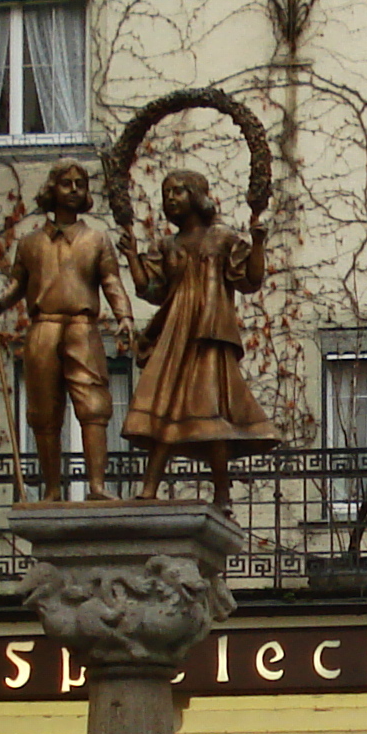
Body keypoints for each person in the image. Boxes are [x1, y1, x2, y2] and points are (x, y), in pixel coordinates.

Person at [123, 168, 278, 506]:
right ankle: (150, 487)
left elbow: (250, 281)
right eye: (166, 194)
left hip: (209, 333)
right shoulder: (167, 245)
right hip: (176, 336)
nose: (171, 199)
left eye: (178, 191)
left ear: (197, 194)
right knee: (166, 407)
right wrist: (132, 257)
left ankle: (222, 491)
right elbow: (150, 289)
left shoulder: (222, 239)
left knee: (212, 411)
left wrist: (259, 243)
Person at [0, 160, 135, 503]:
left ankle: (97, 486)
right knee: (43, 410)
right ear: (51, 189)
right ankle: (52, 488)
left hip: (82, 327)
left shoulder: (96, 239)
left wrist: (124, 315)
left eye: (80, 184)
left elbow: (111, 280)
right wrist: (1, 301)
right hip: (44, 327)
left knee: (94, 406)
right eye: (66, 183)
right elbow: (16, 284)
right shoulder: (29, 243)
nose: (73, 189)